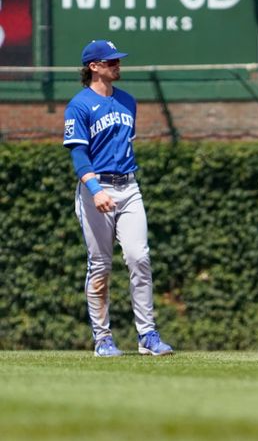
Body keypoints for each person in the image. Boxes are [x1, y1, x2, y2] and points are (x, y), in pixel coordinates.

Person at [62, 40, 173, 357]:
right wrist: (96, 191)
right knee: (100, 266)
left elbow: (124, 146)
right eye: (110, 61)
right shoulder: (79, 105)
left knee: (139, 258)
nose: (117, 65)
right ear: (93, 67)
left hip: (129, 186)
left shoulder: (127, 101)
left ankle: (147, 335)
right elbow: (79, 155)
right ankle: (102, 338)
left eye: (117, 61)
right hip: (96, 188)